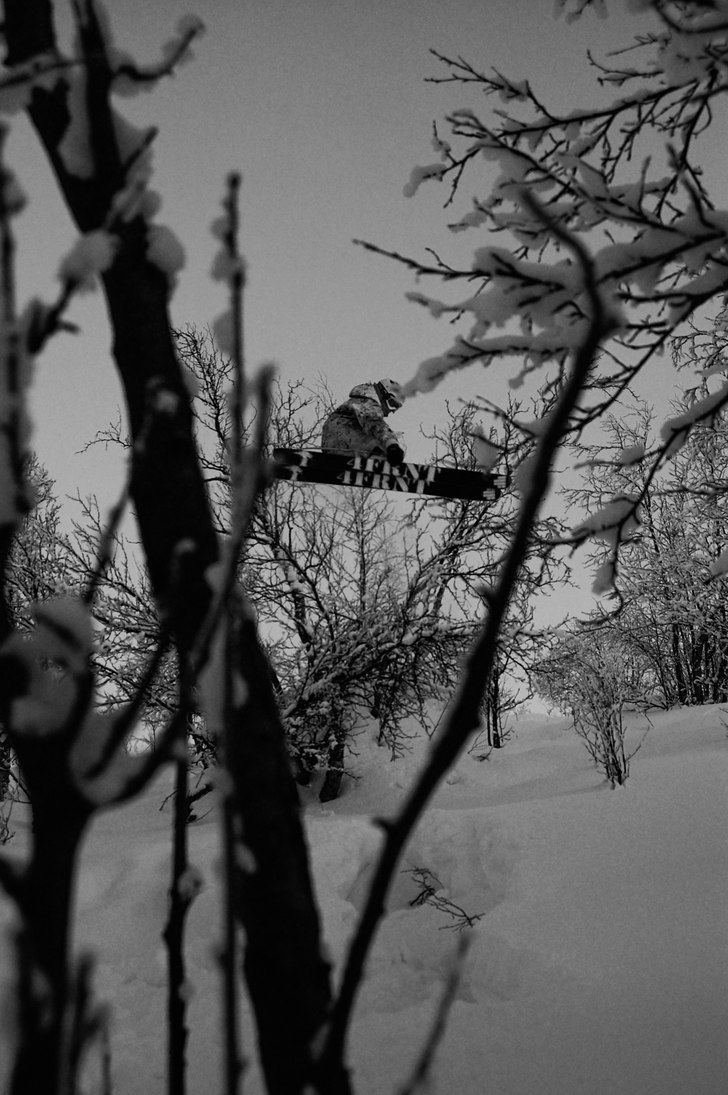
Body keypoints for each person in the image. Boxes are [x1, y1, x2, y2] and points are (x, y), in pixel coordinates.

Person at [321, 379, 405, 463]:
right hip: (341, 438)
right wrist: (392, 445)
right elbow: (375, 424)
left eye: (396, 408)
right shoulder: (366, 403)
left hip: (337, 442)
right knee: (380, 448)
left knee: (384, 445)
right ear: (383, 395)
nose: (392, 411)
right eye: (392, 404)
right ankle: (378, 463)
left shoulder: (360, 402)